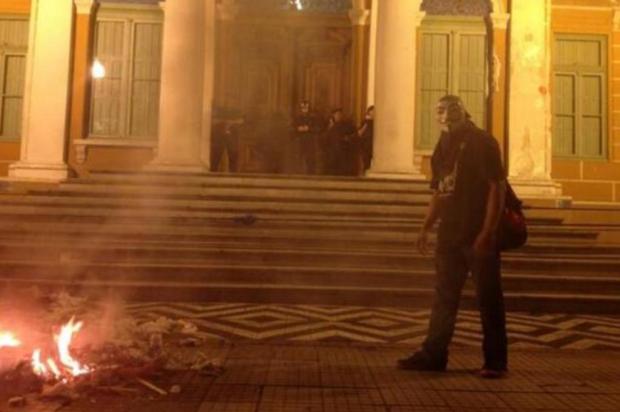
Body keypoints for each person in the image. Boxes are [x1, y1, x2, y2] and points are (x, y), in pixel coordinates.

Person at [398, 95, 508, 379]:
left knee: (489, 298)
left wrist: (487, 232)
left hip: (476, 232)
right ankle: (433, 355)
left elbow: (497, 188)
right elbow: (440, 190)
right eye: (440, 111)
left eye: (451, 110)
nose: (446, 116)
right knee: (444, 296)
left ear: (463, 112)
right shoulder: (442, 146)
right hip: (450, 232)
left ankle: (495, 361)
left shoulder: (482, 142)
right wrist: (426, 226)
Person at [291, 100, 321, 174]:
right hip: (299, 142)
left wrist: (309, 128)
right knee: (299, 158)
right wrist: (297, 129)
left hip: (310, 142)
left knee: (310, 159)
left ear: (309, 108)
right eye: (303, 107)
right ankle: (298, 174)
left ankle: (310, 174)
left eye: (306, 107)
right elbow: (291, 128)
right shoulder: (297, 118)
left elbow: (318, 128)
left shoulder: (313, 118)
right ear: (300, 109)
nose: (304, 109)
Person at [324, 108, 356, 175]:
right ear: (333, 115)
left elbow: (355, 134)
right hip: (332, 152)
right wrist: (330, 128)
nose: (338, 116)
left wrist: (348, 138)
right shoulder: (330, 125)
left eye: (340, 114)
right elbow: (325, 138)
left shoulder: (347, 125)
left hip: (344, 151)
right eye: (336, 114)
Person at [211, 108, 243, 173]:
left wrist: (230, 124)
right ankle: (213, 170)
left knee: (233, 156)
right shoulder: (218, 125)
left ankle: (233, 172)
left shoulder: (236, 126)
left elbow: (241, 121)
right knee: (216, 156)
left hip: (232, 140)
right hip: (220, 139)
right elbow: (214, 121)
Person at [357, 105, 374, 173]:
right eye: (372, 111)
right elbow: (360, 133)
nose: (373, 113)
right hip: (366, 144)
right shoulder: (366, 122)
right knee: (366, 161)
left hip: (373, 144)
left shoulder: (378, 122)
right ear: (369, 112)